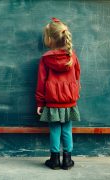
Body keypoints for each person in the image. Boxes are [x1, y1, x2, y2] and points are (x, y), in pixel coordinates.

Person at [35, 17, 81, 170]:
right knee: (67, 130)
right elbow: (77, 78)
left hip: (52, 101)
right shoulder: (72, 57)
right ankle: (67, 161)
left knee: (54, 130)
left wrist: (40, 103)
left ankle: (54, 160)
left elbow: (41, 82)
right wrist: (74, 95)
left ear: (49, 39)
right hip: (69, 101)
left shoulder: (46, 59)